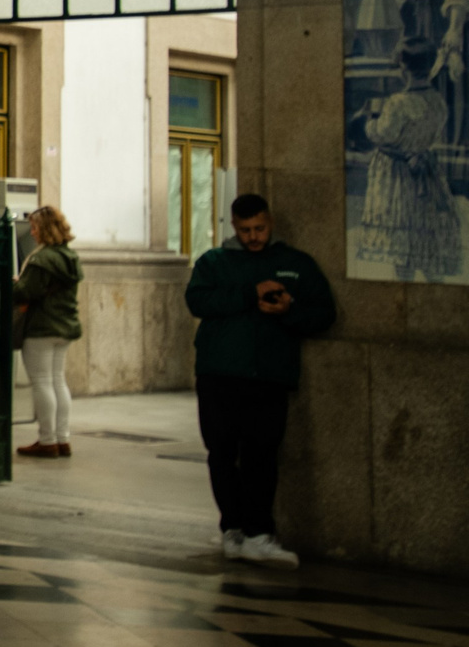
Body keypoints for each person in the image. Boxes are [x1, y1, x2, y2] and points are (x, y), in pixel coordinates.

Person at [184, 194, 337, 570]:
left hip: (268, 376)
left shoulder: (295, 263)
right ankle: (232, 529)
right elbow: (198, 302)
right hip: (219, 374)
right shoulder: (214, 262)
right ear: (233, 227)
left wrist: (289, 310)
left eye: (260, 229)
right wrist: (249, 293)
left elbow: (324, 314)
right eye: (245, 230)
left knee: (261, 455)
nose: (253, 237)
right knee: (221, 454)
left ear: (271, 223)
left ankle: (258, 533)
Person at [357, 40, 463, 279]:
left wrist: (368, 121)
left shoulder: (398, 102)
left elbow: (383, 134)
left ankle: (404, 281)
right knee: (424, 232)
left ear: (403, 68)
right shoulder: (437, 100)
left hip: (398, 174)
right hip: (426, 170)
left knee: (402, 235)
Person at [12, 206, 85, 460]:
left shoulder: (42, 259)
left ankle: (47, 441)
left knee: (42, 382)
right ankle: (62, 439)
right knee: (57, 381)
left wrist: (13, 284)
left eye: (34, 228)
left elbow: (25, 292)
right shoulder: (70, 256)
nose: (32, 232)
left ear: (45, 229)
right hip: (65, 326)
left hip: (42, 327)